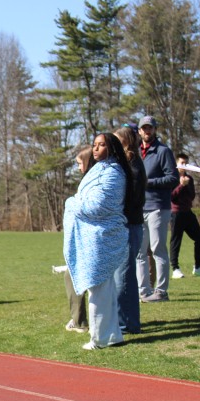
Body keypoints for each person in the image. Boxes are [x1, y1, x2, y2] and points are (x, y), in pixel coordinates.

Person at [64, 133, 130, 350]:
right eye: (94, 145)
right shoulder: (99, 170)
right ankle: (112, 335)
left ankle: (99, 338)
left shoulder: (113, 174)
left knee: (99, 290)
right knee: (104, 290)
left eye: (101, 145)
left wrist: (71, 202)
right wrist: (78, 201)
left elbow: (96, 207)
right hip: (92, 239)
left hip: (102, 238)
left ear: (112, 148)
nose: (95, 149)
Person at [135, 116, 179, 302]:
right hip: (139, 208)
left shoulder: (163, 151)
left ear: (154, 130)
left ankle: (161, 291)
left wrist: (149, 182)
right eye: (144, 128)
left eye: (150, 128)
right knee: (140, 252)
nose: (147, 131)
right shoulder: (136, 152)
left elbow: (173, 178)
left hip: (158, 207)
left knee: (157, 249)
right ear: (139, 131)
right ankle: (143, 291)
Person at [113, 125, 147, 335]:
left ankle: (127, 324)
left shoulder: (132, 166)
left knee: (124, 277)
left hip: (129, 226)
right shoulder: (128, 164)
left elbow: (131, 199)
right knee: (123, 275)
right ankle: (124, 321)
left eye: (117, 140)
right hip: (129, 225)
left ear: (125, 142)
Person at [62, 147, 96, 334]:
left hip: (86, 238)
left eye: (79, 163)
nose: (78, 168)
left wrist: (71, 203)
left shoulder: (91, 181)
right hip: (85, 237)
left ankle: (79, 321)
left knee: (73, 276)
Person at [170, 153, 200, 278]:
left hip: (187, 212)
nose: (184, 165)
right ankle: (175, 269)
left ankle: (198, 267)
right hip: (176, 213)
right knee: (176, 241)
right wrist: (181, 186)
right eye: (182, 163)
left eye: (186, 163)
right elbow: (171, 197)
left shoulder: (189, 178)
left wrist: (187, 185)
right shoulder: (172, 177)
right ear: (177, 164)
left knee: (199, 238)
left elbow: (192, 196)